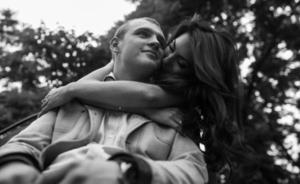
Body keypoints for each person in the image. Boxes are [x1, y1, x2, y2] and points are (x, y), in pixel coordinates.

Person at [0, 17, 208, 184]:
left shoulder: (174, 113)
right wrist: (14, 167)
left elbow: (193, 170)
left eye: (161, 42)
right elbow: (23, 145)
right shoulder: (73, 101)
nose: (155, 42)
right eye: (143, 34)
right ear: (115, 45)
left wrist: (131, 170)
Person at [40, 14, 244, 181]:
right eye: (170, 48)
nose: (167, 59)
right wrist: (110, 65)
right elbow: (90, 88)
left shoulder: (185, 94)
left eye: (181, 64)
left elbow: (148, 97)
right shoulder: (150, 75)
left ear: (198, 75)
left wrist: (69, 91)